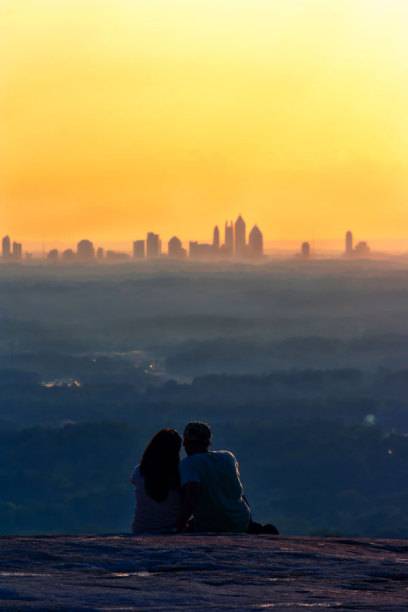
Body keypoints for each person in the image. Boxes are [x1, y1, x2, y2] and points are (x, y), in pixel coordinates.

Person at [177, 422, 279, 534]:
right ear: (208, 442)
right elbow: (238, 492)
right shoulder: (227, 457)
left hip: (211, 526)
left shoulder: (189, 464)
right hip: (241, 521)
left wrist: (179, 526)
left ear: (186, 443)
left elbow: (192, 495)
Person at [131, 428, 182, 534]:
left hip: (140, 529)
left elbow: (134, 481)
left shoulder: (139, 471)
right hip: (170, 530)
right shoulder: (181, 474)